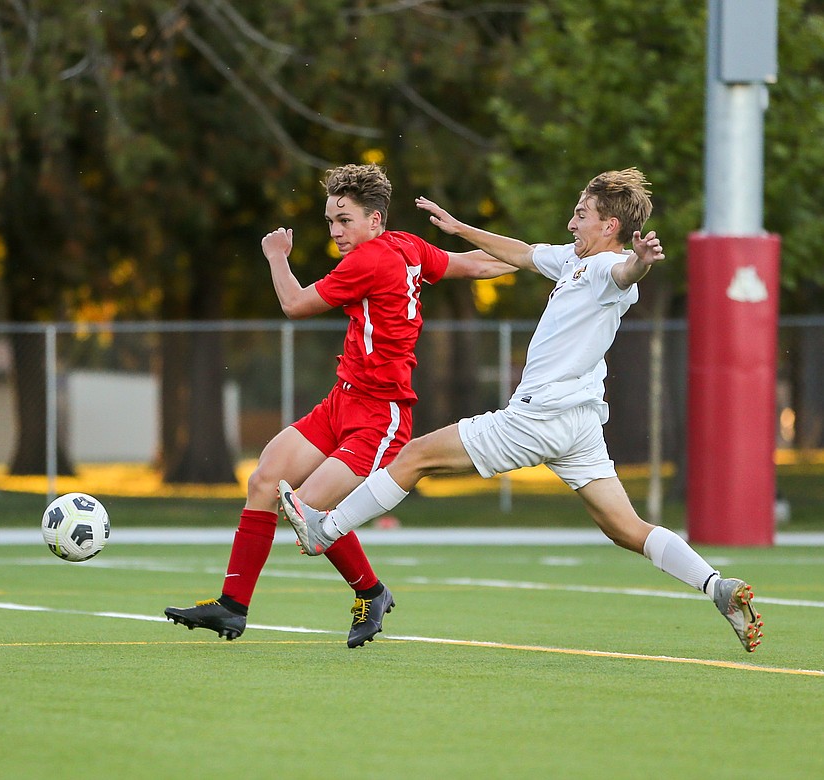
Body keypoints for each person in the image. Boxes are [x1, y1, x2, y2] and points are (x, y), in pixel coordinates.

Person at [280, 168, 763, 653]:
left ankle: (328, 528)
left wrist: (640, 263)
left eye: (581, 215)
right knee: (625, 528)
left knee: (415, 457)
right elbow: (522, 253)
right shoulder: (574, 261)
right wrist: (458, 227)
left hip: (541, 417)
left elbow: (623, 274)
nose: (571, 224)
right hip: (580, 424)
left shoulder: (604, 268)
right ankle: (715, 585)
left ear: (610, 226)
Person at [165, 163, 518, 647]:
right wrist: (544, 258)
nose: (335, 231)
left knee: (307, 509)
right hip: (341, 401)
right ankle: (232, 606)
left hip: (380, 415)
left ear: (375, 220)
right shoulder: (408, 245)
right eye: (331, 220)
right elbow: (476, 264)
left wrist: (275, 255)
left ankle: (369, 591)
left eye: (344, 220)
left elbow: (293, 304)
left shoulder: (370, 260)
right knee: (266, 479)